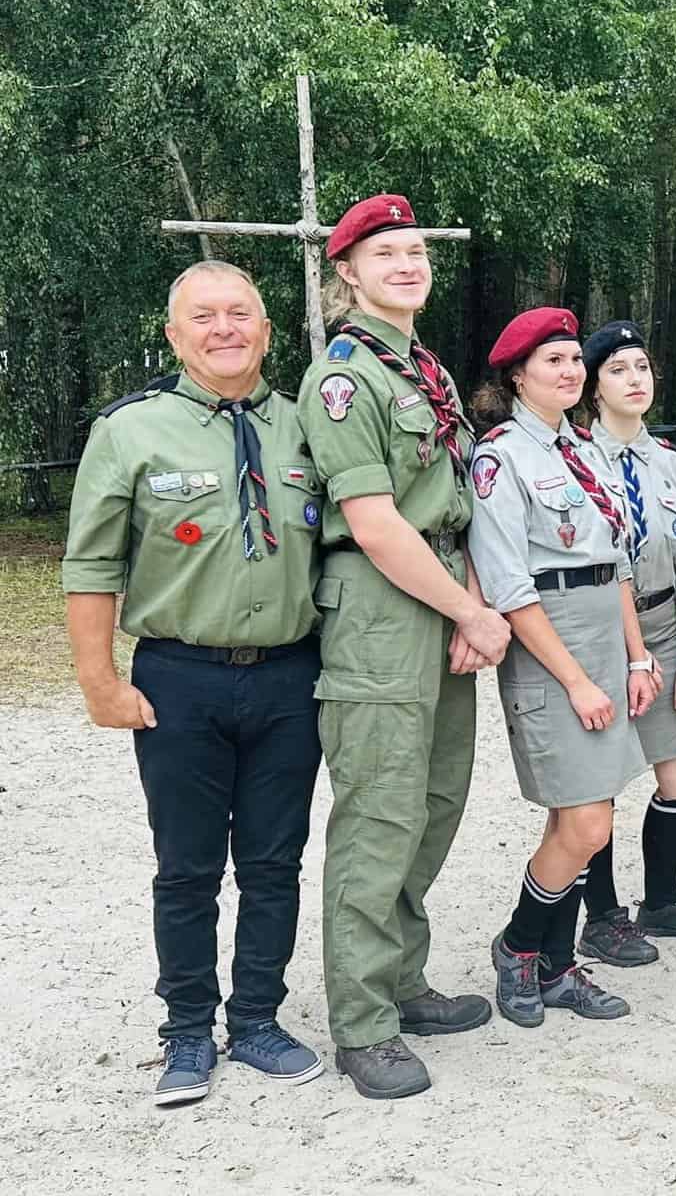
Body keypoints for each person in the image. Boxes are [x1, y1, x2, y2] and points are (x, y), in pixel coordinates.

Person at [63, 261, 325, 1105]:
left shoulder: (307, 427)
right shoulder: (130, 431)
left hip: (290, 678)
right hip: (180, 679)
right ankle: (185, 1031)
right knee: (186, 867)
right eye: (203, 317)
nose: (224, 330)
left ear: (266, 330)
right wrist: (99, 682)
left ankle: (256, 1020)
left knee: (274, 863)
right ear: (175, 337)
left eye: (239, 313)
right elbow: (91, 565)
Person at [300, 194, 509, 1100]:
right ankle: (362, 1024)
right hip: (381, 609)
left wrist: (468, 607)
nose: (407, 264)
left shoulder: (423, 368)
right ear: (347, 273)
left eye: (416, 250)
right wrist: (470, 611)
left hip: (442, 594)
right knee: (379, 815)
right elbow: (377, 524)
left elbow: (450, 502)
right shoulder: (345, 377)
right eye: (385, 253)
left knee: (432, 803)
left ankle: (401, 979)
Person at [466, 307, 660, 1026]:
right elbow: (509, 585)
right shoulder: (499, 458)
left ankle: (553, 966)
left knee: (588, 816)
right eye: (553, 360)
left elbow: (616, 564)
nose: (571, 371)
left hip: (603, 635)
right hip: (551, 644)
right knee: (583, 823)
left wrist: (636, 656)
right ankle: (518, 948)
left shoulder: (584, 448)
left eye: (576, 359)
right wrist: (575, 681)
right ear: (517, 376)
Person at [571, 319, 676, 957]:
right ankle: (603, 914)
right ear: (593, 386)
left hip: (664, 626)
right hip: (598, 633)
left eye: (641, 367)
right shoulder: (573, 461)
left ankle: (662, 899)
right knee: (598, 782)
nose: (634, 379)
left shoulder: (672, 465)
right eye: (618, 370)